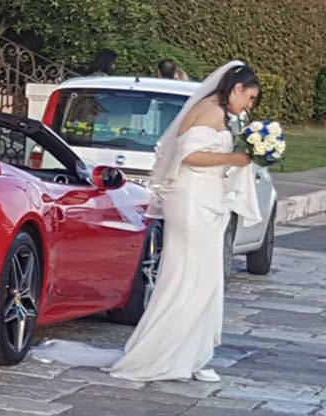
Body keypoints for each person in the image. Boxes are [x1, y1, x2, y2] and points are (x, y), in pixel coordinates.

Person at [33, 62, 264, 383]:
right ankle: (172, 353)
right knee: (191, 276)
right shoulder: (210, 111)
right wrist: (235, 158)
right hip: (194, 199)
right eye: (249, 98)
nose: (248, 106)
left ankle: (189, 352)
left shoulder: (216, 112)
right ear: (236, 89)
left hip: (204, 198)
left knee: (202, 277)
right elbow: (188, 156)